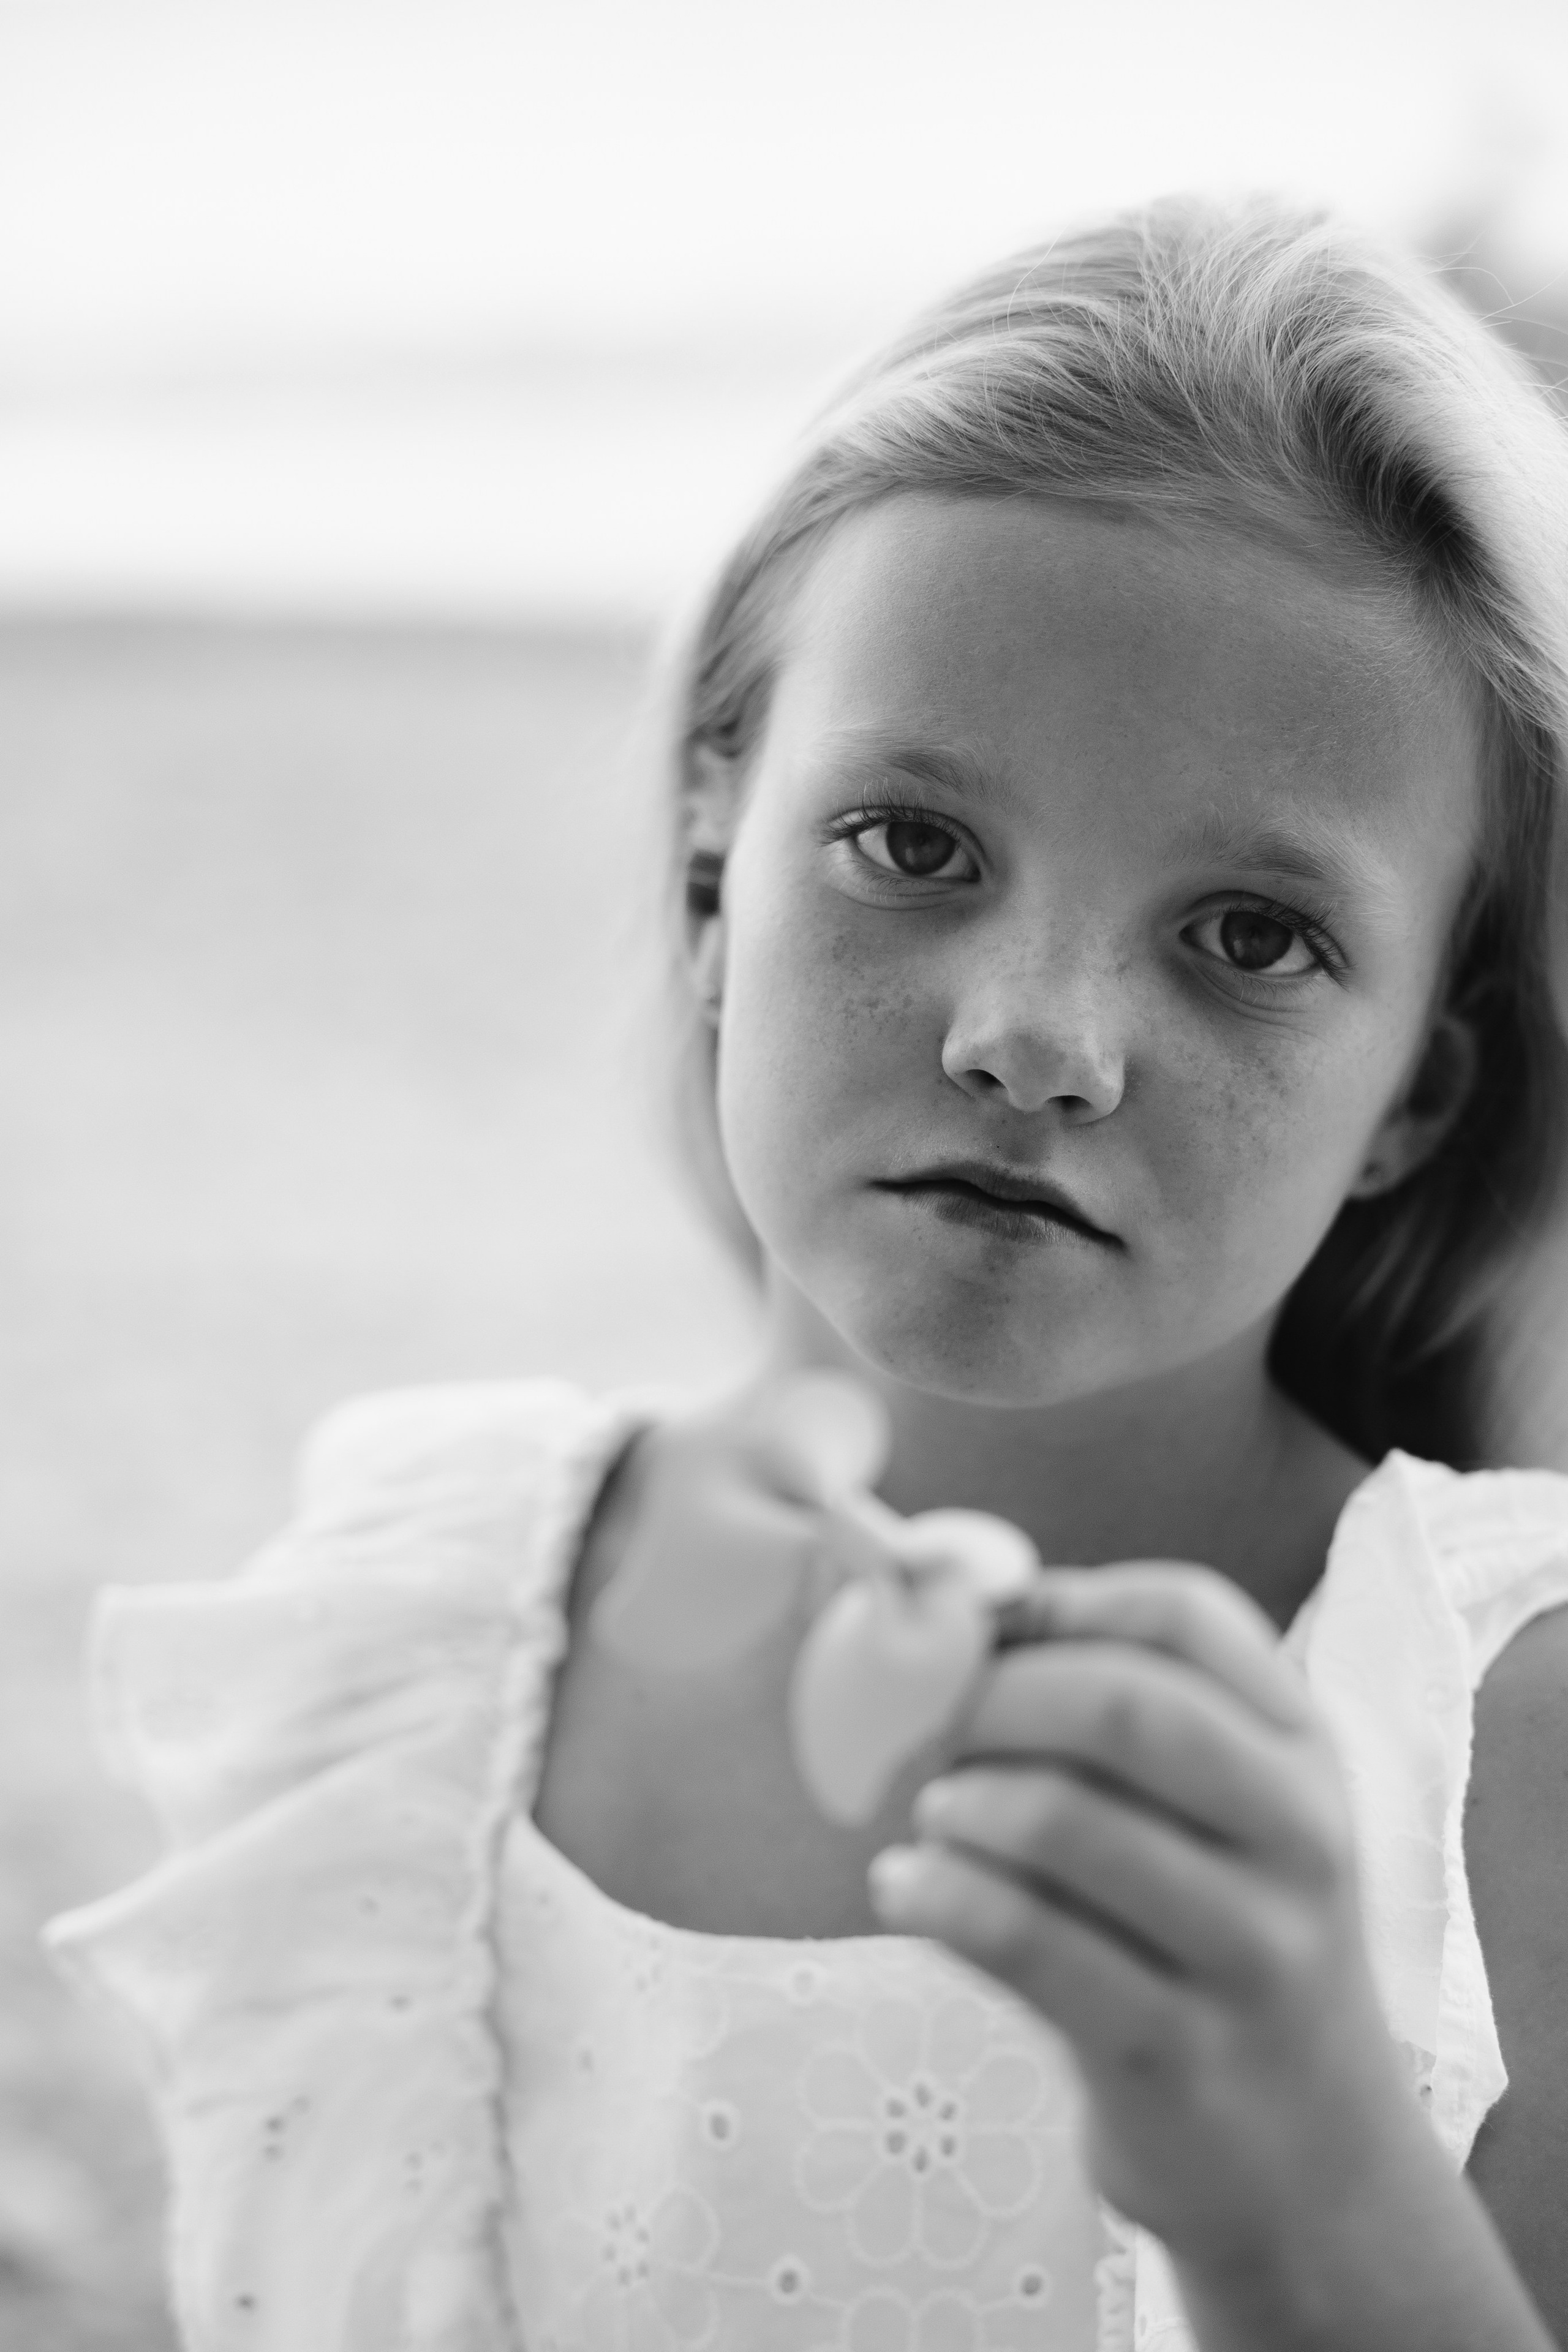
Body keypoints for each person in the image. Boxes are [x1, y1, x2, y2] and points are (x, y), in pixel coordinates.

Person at [47, 197, 1568, 2351]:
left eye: (1252, 937)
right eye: (915, 846)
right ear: (709, 879)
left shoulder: (1513, 1735)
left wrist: (1303, 2177)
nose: (1036, 1032)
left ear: (1418, 1089)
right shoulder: (414, 1659)